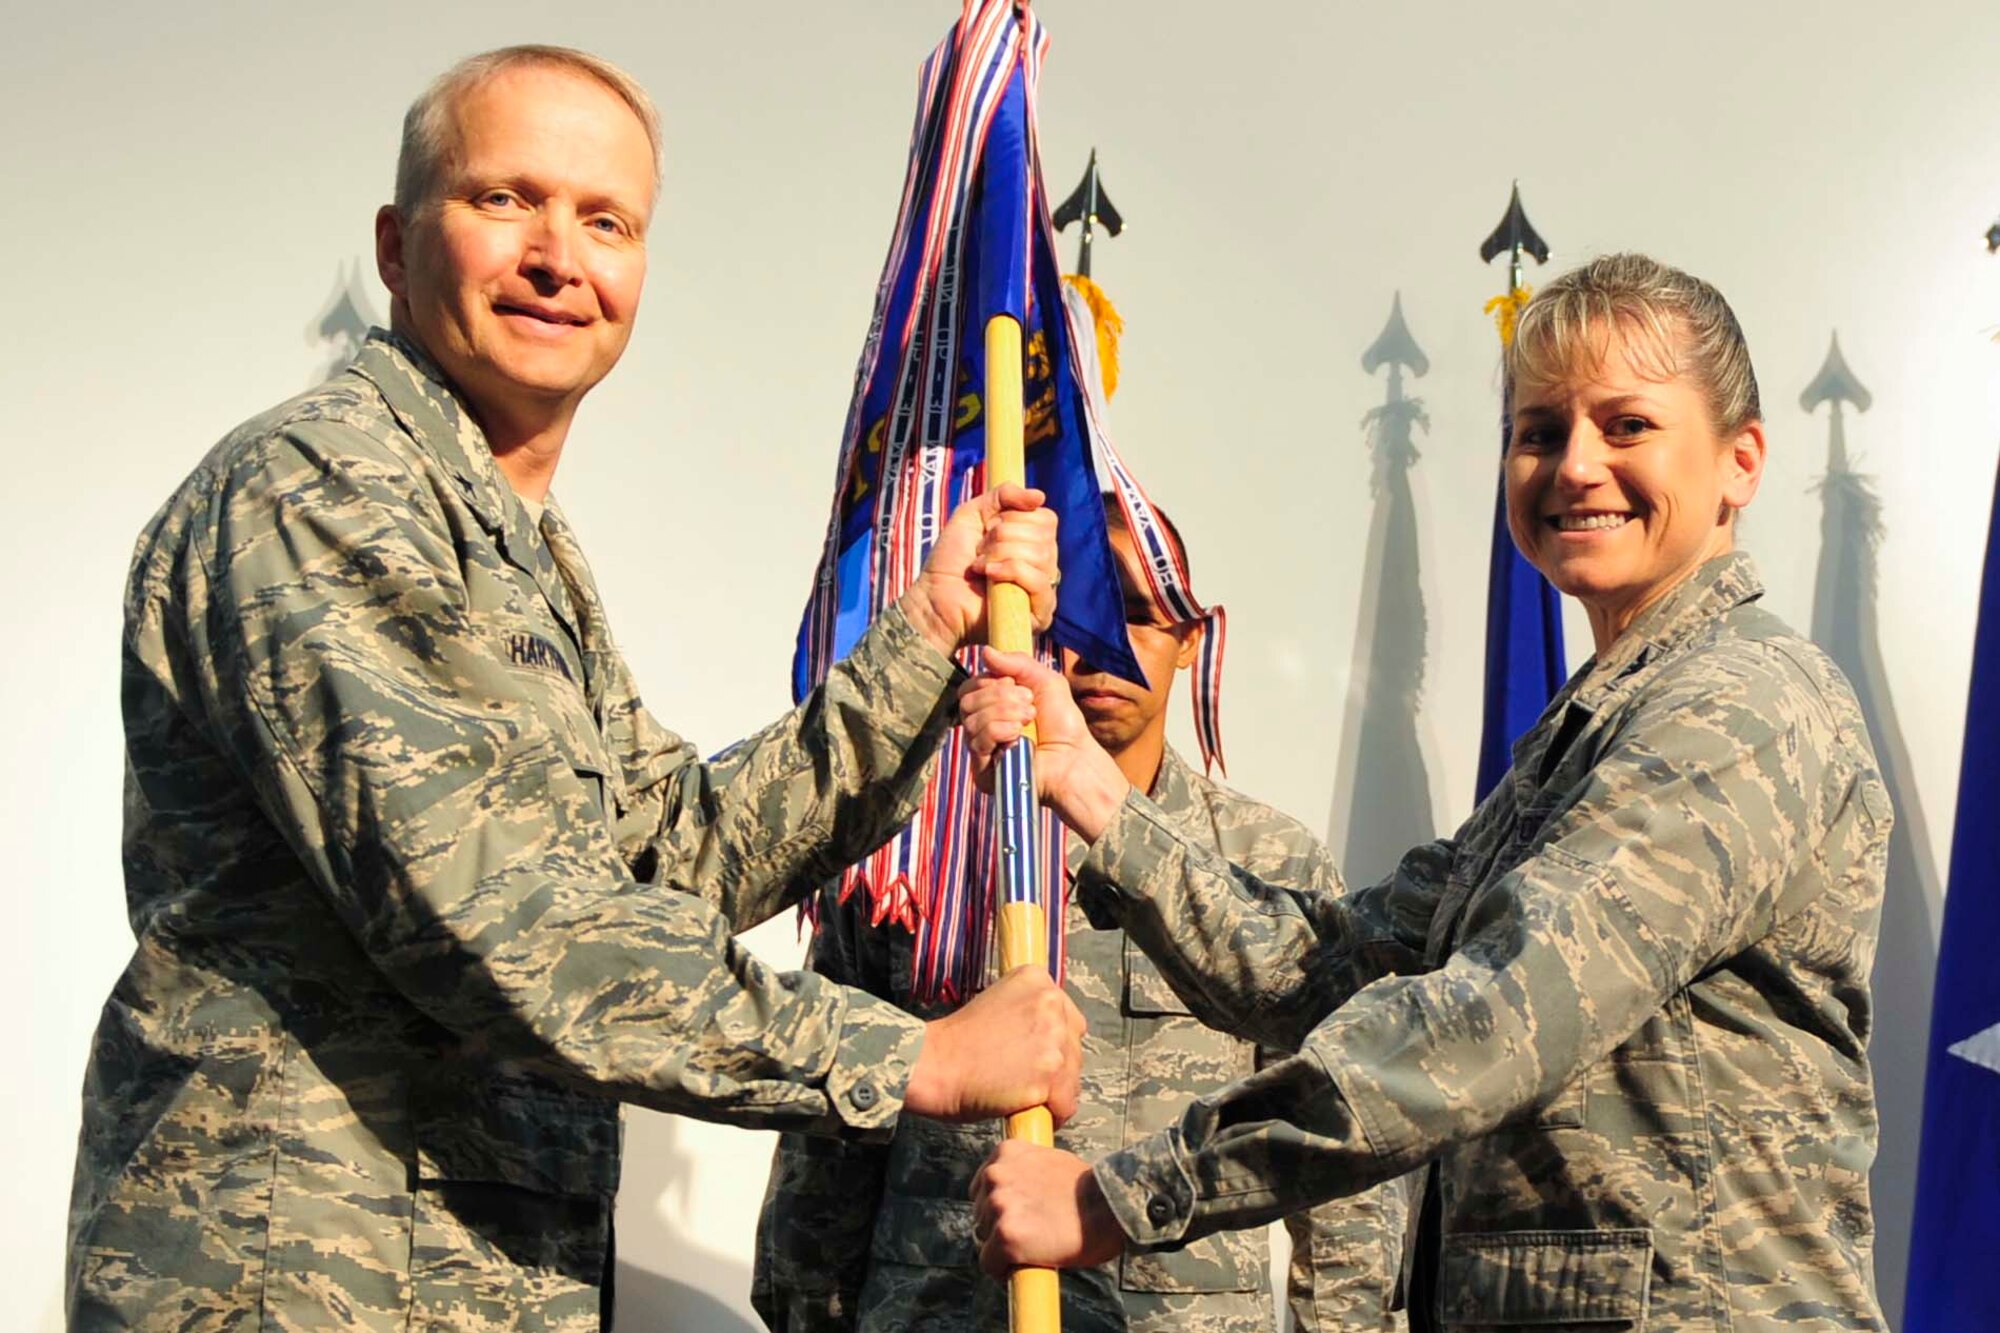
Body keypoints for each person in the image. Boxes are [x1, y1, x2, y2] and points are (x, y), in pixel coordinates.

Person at [68, 45, 1086, 1333]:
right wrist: (920, 1058)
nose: (560, 255)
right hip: (304, 1283)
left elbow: (669, 860)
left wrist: (929, 637)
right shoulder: (322, 492)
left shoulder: (517, 542)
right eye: (505, 200)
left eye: (605, 221)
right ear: (394, 245)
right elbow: (515, 927)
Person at [964, 254, 1893, 1332]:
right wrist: (1095, 796)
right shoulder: (1593, 726)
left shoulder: (1739, 706)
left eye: (1626, 425)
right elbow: (1334, 969)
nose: (1574, 466)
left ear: (1740, 461)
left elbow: (1493, 1014)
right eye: (1536, 431)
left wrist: (1122, 1193)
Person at [752, 501, 1409, 1333]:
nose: (1104, 648)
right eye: (1081, 613)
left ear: (1193, 638)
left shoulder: (1264, 863)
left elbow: (1336, 1140)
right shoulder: (919, 860)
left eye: (1136, 613)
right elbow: (827, 1140)